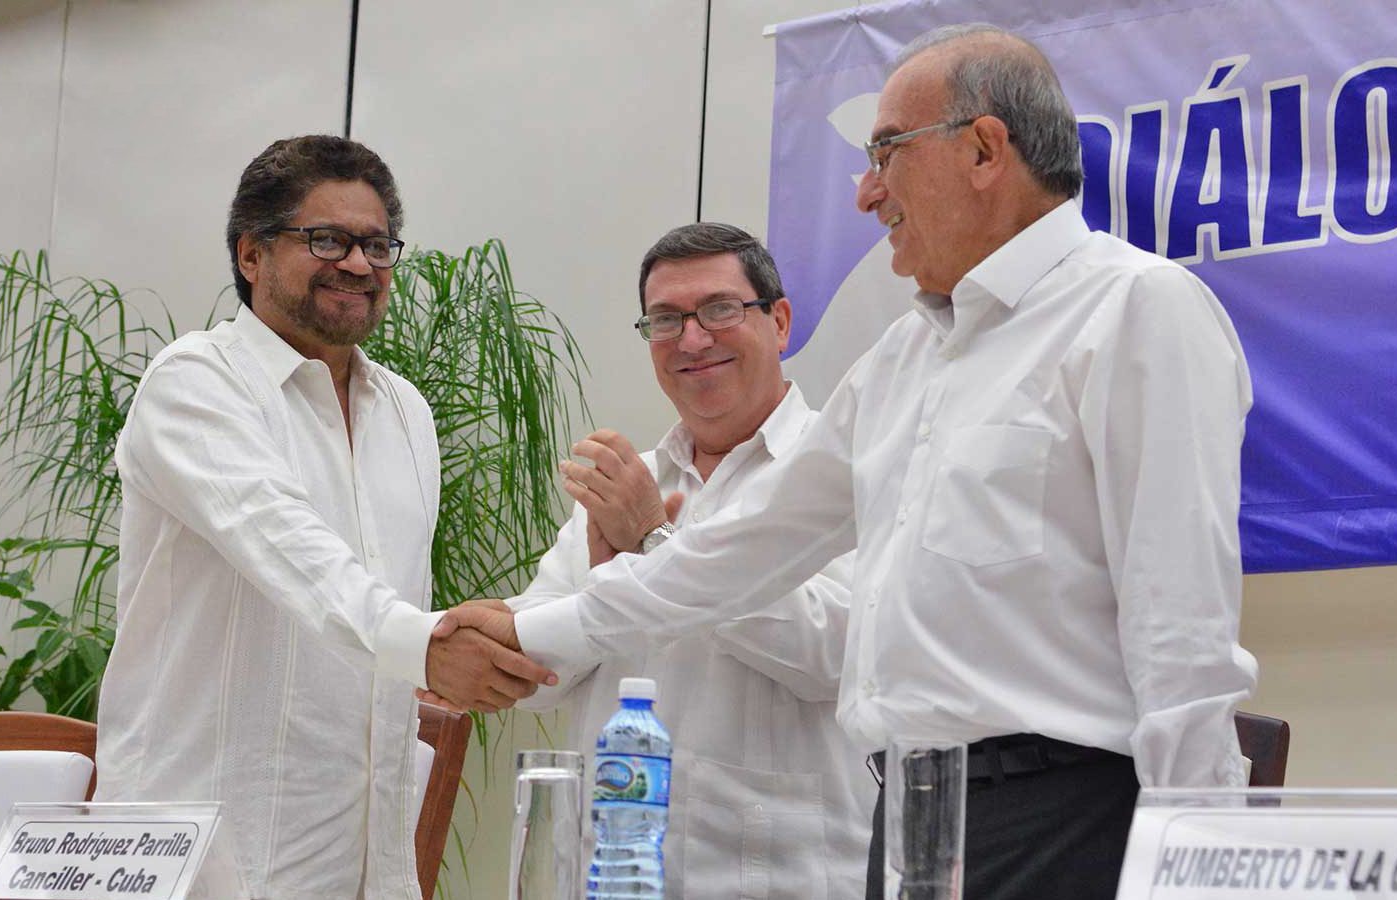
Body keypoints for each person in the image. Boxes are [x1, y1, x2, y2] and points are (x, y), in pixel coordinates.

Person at [448, 22, 1258, 900]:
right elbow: (733, 553)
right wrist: (526, 630)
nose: (866, 192)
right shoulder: (905, 358)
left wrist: (1198, 862)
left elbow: (1181, 629)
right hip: (910, 820)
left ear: (984, 149)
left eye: (886, 153)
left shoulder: (1136, 309)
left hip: (1066, 819)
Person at [96, 134, 552, 899]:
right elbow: (289, 549)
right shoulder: (196, 382)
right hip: (206, 854)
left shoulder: (406, 410)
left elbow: (387, 601)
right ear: (251, 255)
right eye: (326, 239)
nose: (357, 264)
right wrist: (430, 645)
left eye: (376, 245)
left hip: (364, 854)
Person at [517, 223, 874, 896]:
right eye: (665, 320)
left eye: (718, 310)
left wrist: (654, 543)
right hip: (617, 872)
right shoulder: (630, 481)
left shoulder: (843, 467)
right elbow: (538, 680)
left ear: (780, 322)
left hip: (790, 872)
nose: (691, 339)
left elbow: (836, 650)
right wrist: (602, 576)